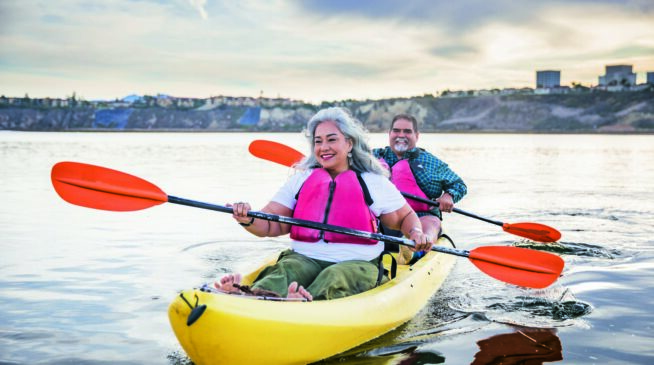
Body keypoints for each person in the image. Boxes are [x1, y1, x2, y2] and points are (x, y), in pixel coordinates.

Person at [215, 107, 433, 301]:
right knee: (288, 270)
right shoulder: (302, 179)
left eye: (331, 139)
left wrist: (415, 232)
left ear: (349, 143)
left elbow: (405, 217)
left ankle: (301, 303)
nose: (323, 147)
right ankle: (251, 295)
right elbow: (271, 223)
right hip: (304, 258)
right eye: (318, 141)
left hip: (357, 264)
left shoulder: (372, 180)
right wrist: (248, 218)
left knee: (334, 276)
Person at [373, 114, 467, 264]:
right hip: (382, 216)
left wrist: (448, 196)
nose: (401, 136)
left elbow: (458, 184)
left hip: (421, 216)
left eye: (407, 131)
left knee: (429, 225)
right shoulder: (373, 156)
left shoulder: (430, 162)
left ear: (416, 136)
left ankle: (415, 249)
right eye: (396, 131)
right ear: (389, 134)